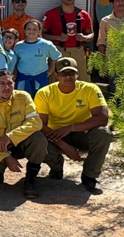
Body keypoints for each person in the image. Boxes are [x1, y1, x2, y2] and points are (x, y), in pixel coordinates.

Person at [35, 57, 113, 195]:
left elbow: (102, 118)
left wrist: (70, 128)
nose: (68, 77)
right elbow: (40, 124)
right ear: (57, 75)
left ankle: (89, 176)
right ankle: (56, 167)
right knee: (36, 139)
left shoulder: (90, 89)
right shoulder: (44, 93)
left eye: (72, 73)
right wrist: (64, 146)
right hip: (54, 135)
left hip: (81, 133)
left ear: (77, 74)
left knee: (103, 134)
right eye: (64, 74)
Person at [0, 70, 48, 198]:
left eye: (9, 83)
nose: (6, 87)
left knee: (39, 139)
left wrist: (10, 137)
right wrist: (6, 157)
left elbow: (35, 122)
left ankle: (30, 180)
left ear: (14, 84)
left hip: (20, 144)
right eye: (2, 83)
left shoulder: (24, 97)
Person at [42, 0, 94, 82]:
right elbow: (41, 34)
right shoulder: (51, 14)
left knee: (83, 79)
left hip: (78, 51)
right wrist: (58, 38)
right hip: (58, 51)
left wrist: (84, 37)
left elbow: (91, 35)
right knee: (56, 79)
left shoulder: (84, 14)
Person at [12, 19, 61, 96]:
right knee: (22, 102)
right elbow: (15, 62)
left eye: (35, 29)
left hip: (40, 78)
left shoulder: (46, 44)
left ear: (39, 31)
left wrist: (50, 71)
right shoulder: (18, 46)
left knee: (40, 101)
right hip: (23, 79)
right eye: (29, 29)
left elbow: (55, 57)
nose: (31, 31)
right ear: (24, 31)